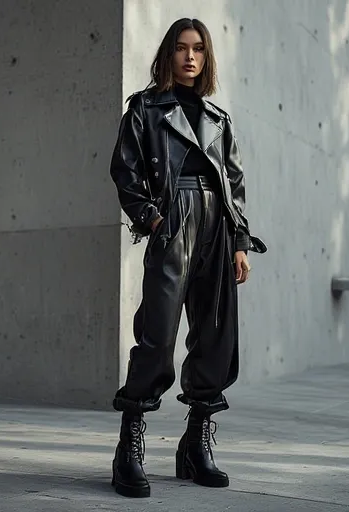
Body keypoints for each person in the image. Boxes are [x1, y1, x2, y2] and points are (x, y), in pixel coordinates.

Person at [108, 17, 266, 498]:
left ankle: (195, 444)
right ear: (168, 55)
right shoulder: (145, 109)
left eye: (198, 48)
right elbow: (125, 171)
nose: (190, 56)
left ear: (206, 57)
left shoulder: (219, 119)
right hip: (173, 221)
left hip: (218, 226)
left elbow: (233, 185)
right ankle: (128, 446)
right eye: (180, 48)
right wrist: (154, 220)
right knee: (157, 336)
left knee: (216, 337)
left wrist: (239, 241)